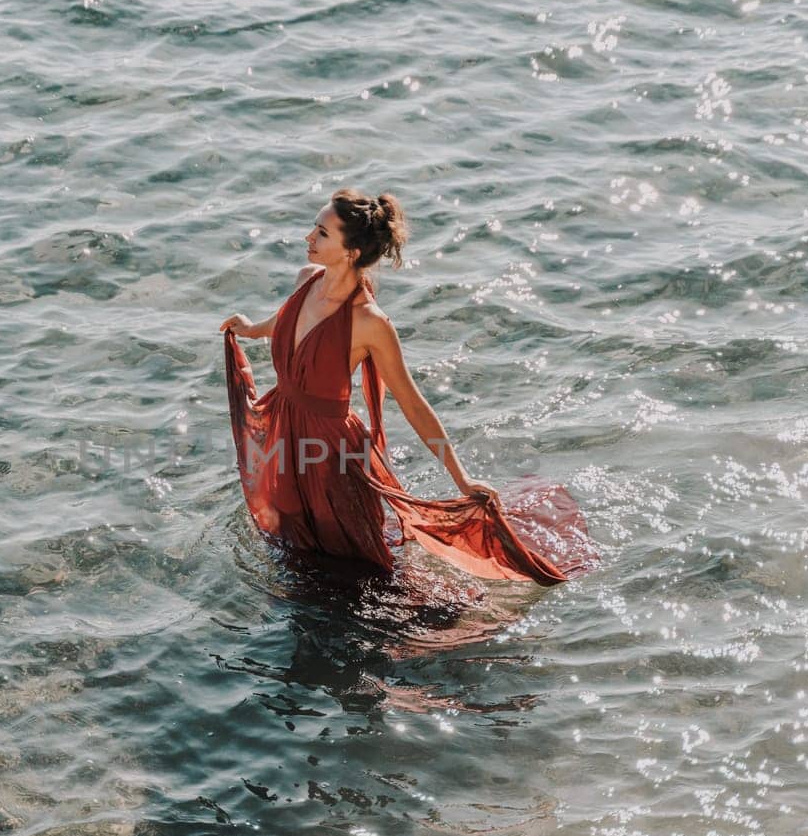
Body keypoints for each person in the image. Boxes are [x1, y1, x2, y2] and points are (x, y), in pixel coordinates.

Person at [220, 189, 596, 584]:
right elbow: (286, 322)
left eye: (322, 233)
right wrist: (251, 329)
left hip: (331, 456)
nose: (308, 239)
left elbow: (413, 404)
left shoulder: (369, 322)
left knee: (356, 572)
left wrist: (462, 478)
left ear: (351, 251)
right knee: (295, 551)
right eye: (314, 228)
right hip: (286, 431)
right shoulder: (305, 280)